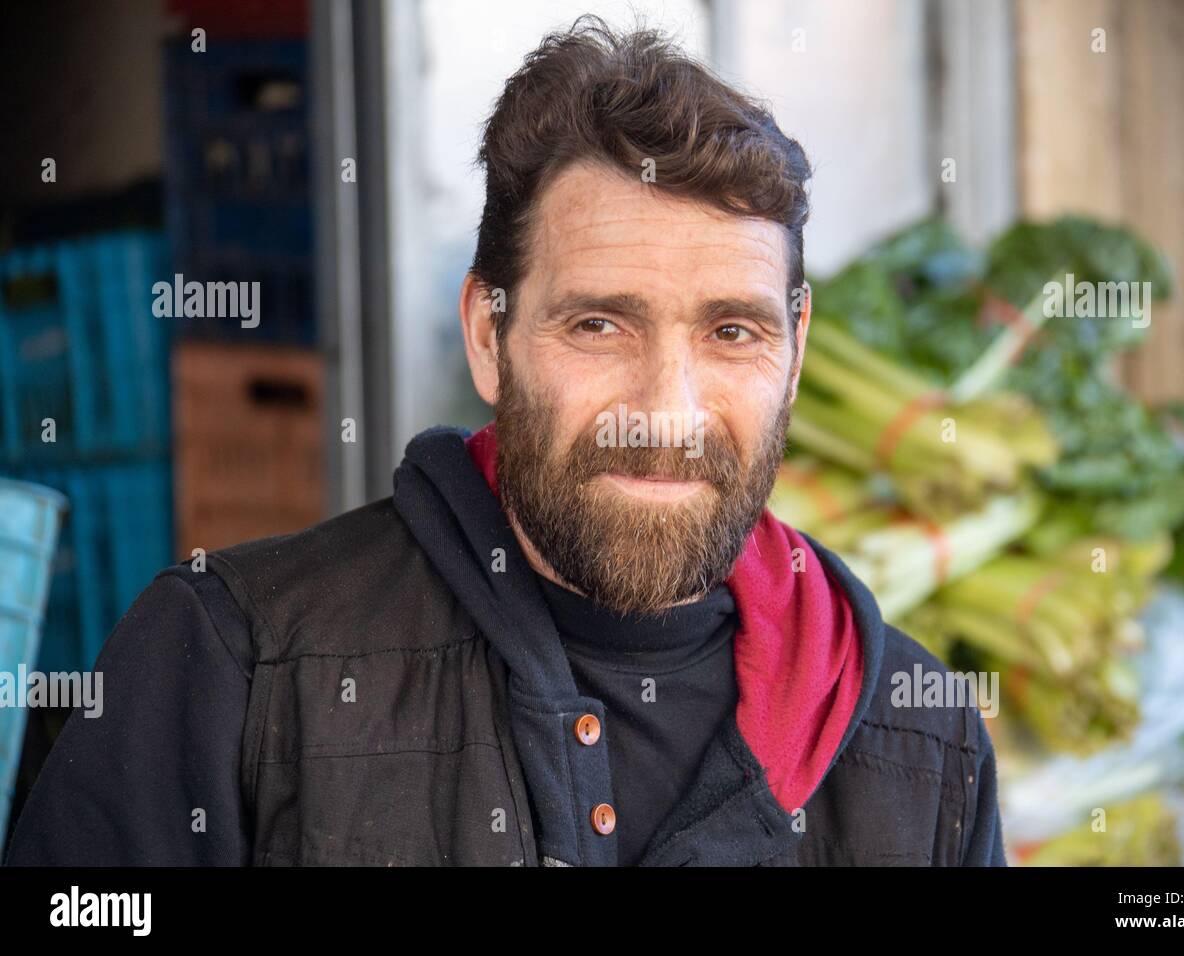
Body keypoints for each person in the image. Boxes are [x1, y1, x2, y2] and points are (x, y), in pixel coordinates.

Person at [6, 15, 1005, 867]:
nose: (665, 409)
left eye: (731, 331)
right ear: (488, 336)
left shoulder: (919, 740)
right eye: (598, 324)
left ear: (794, 352)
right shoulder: (233, 662)